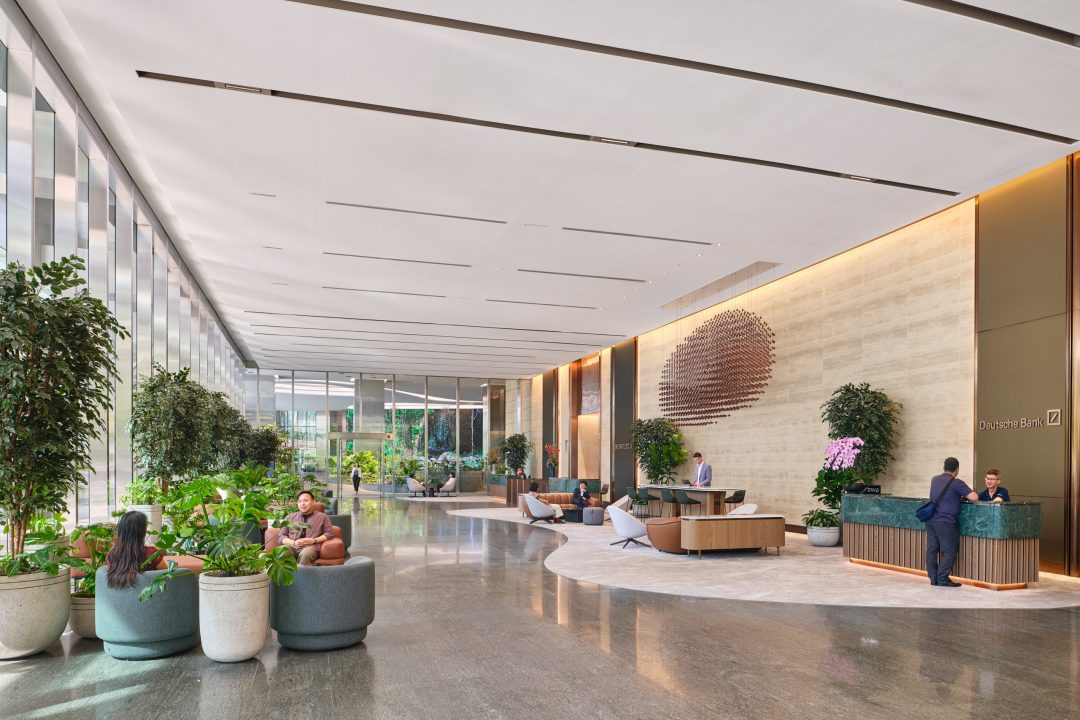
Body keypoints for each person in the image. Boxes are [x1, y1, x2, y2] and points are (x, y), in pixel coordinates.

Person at [925, 457, 978, 587]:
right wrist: (963, 494)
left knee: (932, 549)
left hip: (931, 519)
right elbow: (974, 497)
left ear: (944, 468)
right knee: (950, 551)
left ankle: (934, 578)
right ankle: (942, 578)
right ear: (957, 470)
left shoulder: (934, 479)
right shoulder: (957, 482)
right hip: (945, 521)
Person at [105, 511, 166, 590]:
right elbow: (168, 574)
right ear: (142, 531)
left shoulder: (112, 554)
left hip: (118, 600)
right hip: (148, 600)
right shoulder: (152, 554)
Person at [278, 490, 335, 566]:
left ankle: (303, 577)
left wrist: (314, 540)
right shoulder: (290, 517)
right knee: (281, 552)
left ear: (313, 502)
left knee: (305, 555)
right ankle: (283, 577)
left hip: (310, 547)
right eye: (300, 501)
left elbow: (329, 533)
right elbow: (281, 536)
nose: (302, 504)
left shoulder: (323, 517)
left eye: (305, 500)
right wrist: (293, 542)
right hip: (292, 545)